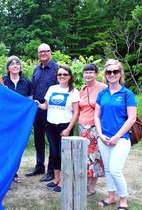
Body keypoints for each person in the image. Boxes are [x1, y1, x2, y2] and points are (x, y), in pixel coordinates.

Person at [94, 59, 137, 210]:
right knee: (108, 170)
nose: (112, 74)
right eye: (109, 72)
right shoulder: (102, 93)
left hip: (121, 139)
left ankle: (123, 199)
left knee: (115, 169)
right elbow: (97, 115)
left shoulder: (127, 94)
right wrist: (100, 134)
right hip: (103, 138)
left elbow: (132, 118)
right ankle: (111, 197)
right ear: (105, 74)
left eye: (115, 72)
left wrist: (117, 136)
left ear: (120, 74)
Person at [37, 65, 80, 193]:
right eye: (60, 74)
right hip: (50, 125)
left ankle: (63, 181)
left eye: (65, 74)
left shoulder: (73, 92)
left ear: (70, 77)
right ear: (57, 76)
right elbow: (45, 106)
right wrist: (36, 104)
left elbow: (76, 113)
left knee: (63, 155)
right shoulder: (52, 89)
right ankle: (56, 179)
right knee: (54, 153)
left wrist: (68, 129)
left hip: (64, 126)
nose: (62, 77)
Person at [25, 43, 59, 182]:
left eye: (46, 51)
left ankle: (52, 170)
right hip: (37, 108)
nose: (43, 53)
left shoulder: (57, 69)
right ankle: (39, 166)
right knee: (38, 138)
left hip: (51, 109)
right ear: (38, 54)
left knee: (51, 140)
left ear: (51, 52)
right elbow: (33, 88)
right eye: (40, 52)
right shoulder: (36, 69)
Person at [78, 63, 107, 196]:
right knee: (84, 156)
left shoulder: (103, 88)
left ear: (96, 74)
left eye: (91, 72)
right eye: (86, 72)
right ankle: (85, 184)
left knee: (93, 157)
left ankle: (92, 187)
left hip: (95, 127)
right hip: (82, 127)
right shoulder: (82, 89)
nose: (88, 75)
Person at [3, 55, 33, 183]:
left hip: (21, 121)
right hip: (6, 120)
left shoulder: (26, 82)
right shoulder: (2, 81)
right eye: (12, 63)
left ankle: (14, 173)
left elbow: (30, 100)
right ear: (8, 67)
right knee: (6, 147)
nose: (15, 65)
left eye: (17, 63)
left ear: (20, 67)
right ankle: (6, 174)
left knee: (18, 146)